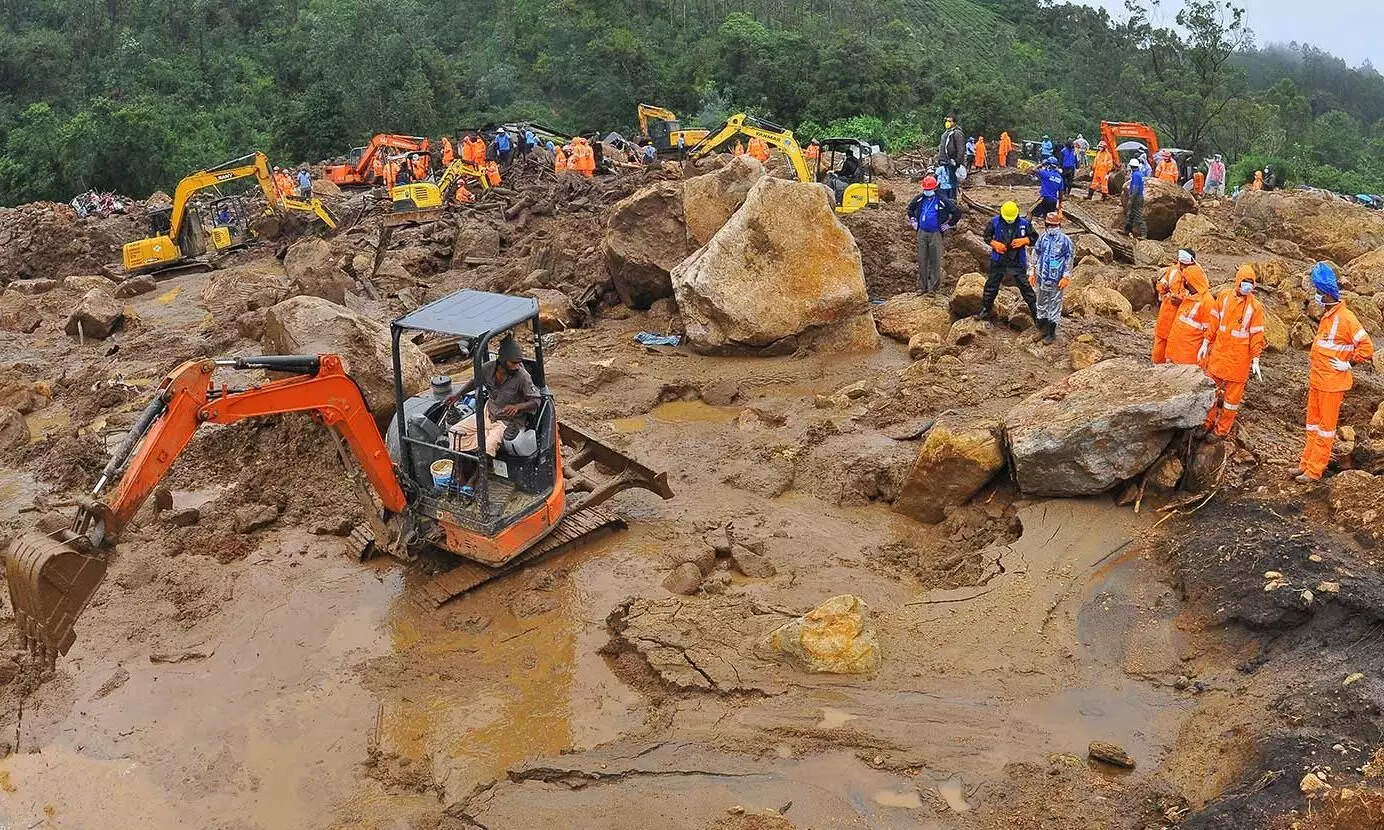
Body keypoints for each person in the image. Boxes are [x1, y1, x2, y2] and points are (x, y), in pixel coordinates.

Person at [1297, 263, 1375, 482]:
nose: (1316, 297)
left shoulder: (1347, 318)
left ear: (1326, 294)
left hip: (1332, 382)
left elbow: (1366, 347)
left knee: (1325, 429)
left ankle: (1314, 470)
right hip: (1318, 380)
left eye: (1319, 293)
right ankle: (1305, 464)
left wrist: (1349, 363)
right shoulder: (1328, 315)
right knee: (1312, 425)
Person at [1201, 264, 1267, 441]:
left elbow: (1257, 334)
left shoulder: (1255, 307)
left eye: (1250, 283)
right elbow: (1214, 321)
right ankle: (1207, 422)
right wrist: (1206, 340)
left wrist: (1256, 358)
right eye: (1245, 282)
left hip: (1239, 360)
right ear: (1238, 282)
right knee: (1211, 391)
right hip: (1220, 354)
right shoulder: (1223, 297)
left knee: (1231, 400)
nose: (1247, 286)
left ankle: (1221, 430)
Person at [450, 336, 541, 458]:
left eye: (519, 363)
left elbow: (536, 400)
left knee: (488, 446)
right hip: (488, 414)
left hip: (507, 421)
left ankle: (482, 471)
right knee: (455, 433)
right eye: (513, 363)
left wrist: (517, 407)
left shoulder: (522, 377)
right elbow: (475, 382)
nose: (517, 367)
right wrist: (458, 395)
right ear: (503, 360)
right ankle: (464, 466)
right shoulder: (488, 368)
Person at [977, 201, 1038, 323]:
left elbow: (1035, 238)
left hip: (1017, 259)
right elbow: (986, 236)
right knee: (991, 285)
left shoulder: (1024, 224)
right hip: (999, 258)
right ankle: (985, 309)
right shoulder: (994, 222)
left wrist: (1024, 240)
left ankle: (1036, 314)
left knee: (1025, 287)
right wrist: (994, 244)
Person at [907, 174, 962, 294]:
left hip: (936, 233)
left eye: (929, 189)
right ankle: (922, 287)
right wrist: (913, 221)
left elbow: (957, 212)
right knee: (922, 260)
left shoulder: (942, 200)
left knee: (935, 261)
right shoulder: (920, 198)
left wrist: (948, 225)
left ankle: (933, 289)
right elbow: (910, 208)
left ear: (935, 188)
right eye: (925, 189)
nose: (927, 191)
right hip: (922, 232)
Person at [1152, 248, 1208, 363]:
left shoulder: (1197, 274)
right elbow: (1160, 285)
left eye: (1184, 265)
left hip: (1183, 319)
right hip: (1167, 315)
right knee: (1159, 350)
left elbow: (1198, 295)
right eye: (1180, 264)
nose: (1182, 267)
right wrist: (1164, 289)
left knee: (1176, 352)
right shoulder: (1173, 271)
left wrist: (1182, 300)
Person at [1028, 211, 1074, 344]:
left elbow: (1069, 260)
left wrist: (1066, 276)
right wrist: (1032, 272)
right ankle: (1041, 329)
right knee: (1041, 303)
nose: (1051, 228)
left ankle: (1051, 333)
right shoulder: (1043, 238)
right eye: (1049, 225)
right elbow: (1035, 254)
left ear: (1059, 225)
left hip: (1056, 279)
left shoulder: (1065, 241)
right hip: (1042, 277)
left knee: (1054, 305)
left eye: (1054, 225)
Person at [1163, 270, 1215, 366]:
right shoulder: (1190, 297)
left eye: (1188, 281)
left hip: (1188, 356)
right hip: (1175, 351)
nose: (1186, 283)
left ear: (1195, 282)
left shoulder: (1207, 302)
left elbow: (1209, 333)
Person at [938, 114, 965, 189]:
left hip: (951, 162)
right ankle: (946, 198)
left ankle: (952, 199)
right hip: (944, 161)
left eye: (950, 121)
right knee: (943, 182)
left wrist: (957, 162)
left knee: (952, 182)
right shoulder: (946, 133)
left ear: (954, 123)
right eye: (946, 121)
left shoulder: (957, 133)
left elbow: (961, 149)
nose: (947, 123)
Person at [1123, 158, 1148, 239]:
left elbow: (1136, 188)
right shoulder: (1139, 174)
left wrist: (1131, 199)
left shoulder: (1136, 175)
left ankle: (1144, 234)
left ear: (1131, 166)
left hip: (1137, 197)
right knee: (1131, 215)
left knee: (1138, 215)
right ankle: (1127, 230)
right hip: (1138, 196)